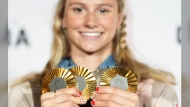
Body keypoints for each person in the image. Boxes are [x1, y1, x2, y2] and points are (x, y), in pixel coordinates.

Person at [9, 0, 178, 107]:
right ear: (63, 18)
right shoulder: (27, 94)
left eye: (103, 10)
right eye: (79, 9)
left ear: (118, 19)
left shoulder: (156, 93)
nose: (90, 22)